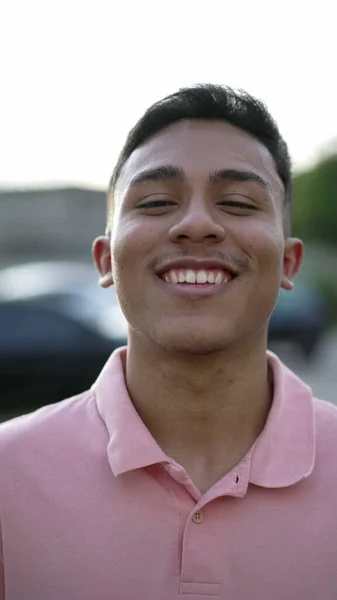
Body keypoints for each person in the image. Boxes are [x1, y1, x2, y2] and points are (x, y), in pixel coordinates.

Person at [0, 84, 336, 600]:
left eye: (238, 202)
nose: (197, 224)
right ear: (105, 260)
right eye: (156, 202)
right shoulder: (9, 476)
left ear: (288, 262)